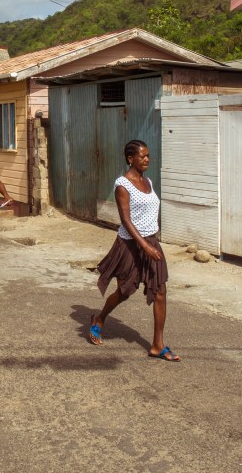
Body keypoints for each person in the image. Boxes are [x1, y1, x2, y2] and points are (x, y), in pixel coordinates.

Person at [88, 139, 181, 362]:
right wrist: (145, 246)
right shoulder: (123, 184)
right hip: (131, 244)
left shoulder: (147, 181)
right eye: (143, 156)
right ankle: (99, 319)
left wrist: (152, 242)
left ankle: (158, 345)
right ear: (131, 158)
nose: (147, 159)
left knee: (160, 291)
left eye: (148, 155)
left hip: (151, 242)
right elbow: (126, 221)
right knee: (125, 291)